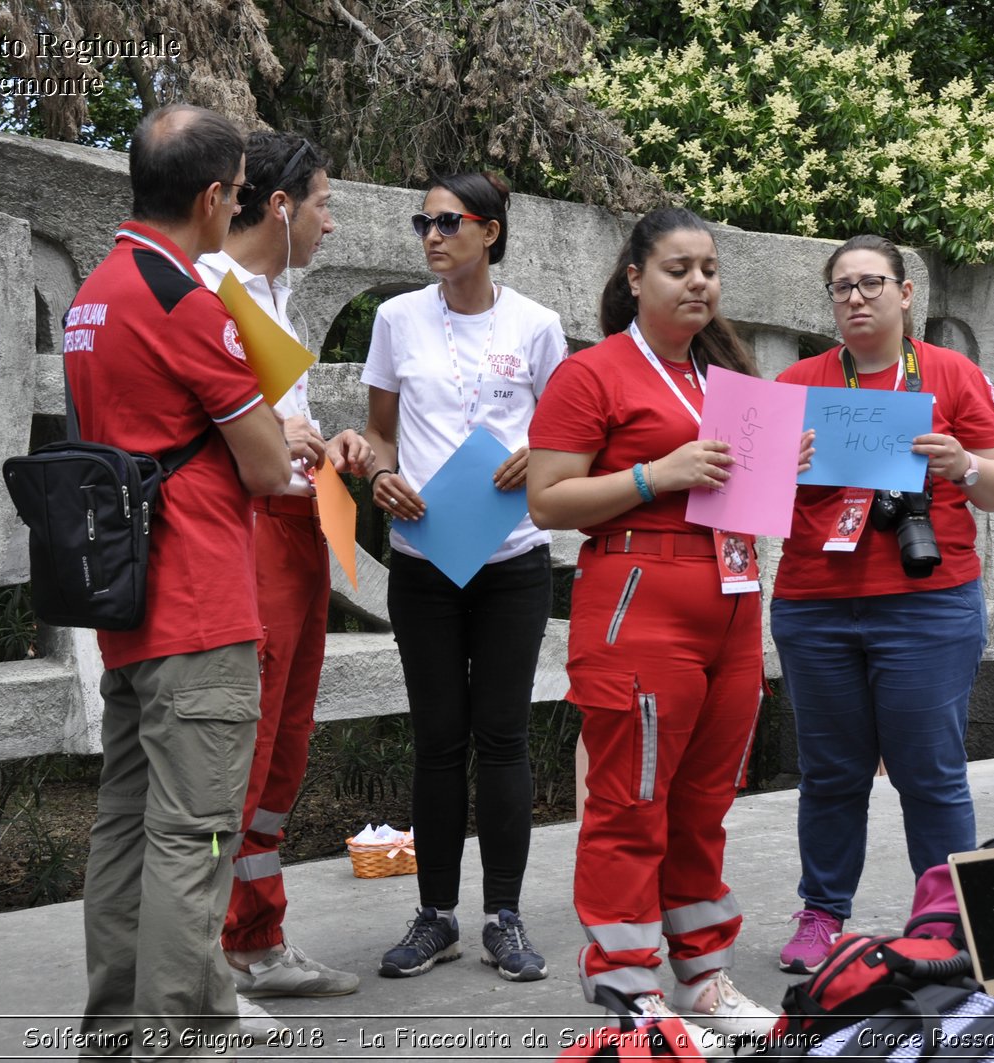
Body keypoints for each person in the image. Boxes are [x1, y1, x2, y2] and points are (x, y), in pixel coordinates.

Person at [68, 104, 302, 1057]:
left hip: (127, 608)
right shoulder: (184, 302)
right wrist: (282, 440)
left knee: (126, 826)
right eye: (240, 193)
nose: (239, 206)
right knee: (197, 840)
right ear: (212, 197)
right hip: (199, 607)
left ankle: (117, 1033)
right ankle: (179, 1039)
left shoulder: (99, 288)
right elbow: (260, 466)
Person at [526, 206, 778, 1047]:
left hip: (734, 596)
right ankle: (629, 984)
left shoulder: (727, 379)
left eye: (708, 267)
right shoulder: (590, 374)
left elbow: (742, 495)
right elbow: (550, 499)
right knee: (632, 798)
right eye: (679, 267)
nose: (699, 281)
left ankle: (703, 976)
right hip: (641, 593)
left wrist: (781, 465)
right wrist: (652, 473)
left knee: (706, 799)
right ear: (635, 277)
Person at [771, 234, 994, 975]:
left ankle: (944, 922)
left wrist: (965, 463)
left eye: (871, 282)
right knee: (829, 772)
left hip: (927, 604)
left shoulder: (951, 374)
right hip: (816, 605)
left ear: (906, 293)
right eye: (842, 287)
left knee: (931, 771)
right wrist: (780, 469)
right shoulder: (798, 384)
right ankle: (821, 914)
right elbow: (741, 496)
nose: (856, 297)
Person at [360, 172, 568, 982]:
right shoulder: (395, 319)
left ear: (491, 232)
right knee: (438, 742)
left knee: (504, 737)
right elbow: (379, 434)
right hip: (422, 560)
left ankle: (503, 917)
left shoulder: (539, 326)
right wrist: (378, 478)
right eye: (424, 222)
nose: (431, 235)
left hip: (513, 559)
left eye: (448, 222)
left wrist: (542, 455)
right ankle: (436, 914)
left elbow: (570, 434)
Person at [194, 132, 369, 1026]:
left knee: (285, 749)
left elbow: (279, 419)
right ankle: (206, 970)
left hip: (303, 528)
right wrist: (279, 441)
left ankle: (257, 941)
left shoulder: (273, 294)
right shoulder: (210, 289)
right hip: (246, 536)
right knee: (236, 755)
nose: (331, 223)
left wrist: (325, 439)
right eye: (323, 204)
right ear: (278, 207)